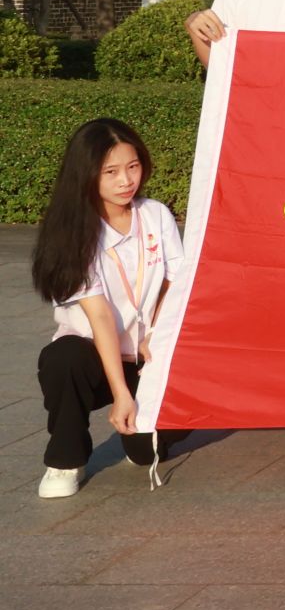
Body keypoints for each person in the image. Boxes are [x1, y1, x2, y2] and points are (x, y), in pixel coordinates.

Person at [32, 120, 190, 498]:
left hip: (147, 354)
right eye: (111, 172)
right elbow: (100, 316)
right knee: (62, 358)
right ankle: (65, 460)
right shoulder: (73, 233)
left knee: (144, 450)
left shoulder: (155, 215)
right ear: (86, 175)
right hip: (95, 356)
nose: (126, 181)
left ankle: (145, 428)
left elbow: (175, 281)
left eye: (133, 166)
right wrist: (122, 393)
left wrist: (156, 333)